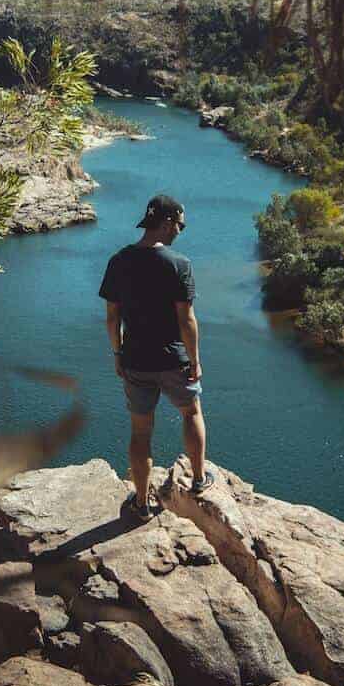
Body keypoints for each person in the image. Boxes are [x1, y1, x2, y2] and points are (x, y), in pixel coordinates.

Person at [99, 193, 214, 521]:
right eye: (180, 224)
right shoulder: (179, 264)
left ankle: (140, 503)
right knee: (191, 412)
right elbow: (186, 320)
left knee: (140, 431)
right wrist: (195, 361)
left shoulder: (119, 261)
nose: (180, 230)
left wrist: (118, 354)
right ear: (166, 222)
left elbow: (112, 317)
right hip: (174, 359)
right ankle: (197, 481)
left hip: (136, 359)